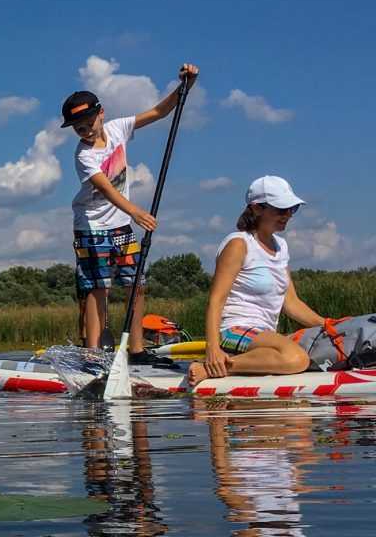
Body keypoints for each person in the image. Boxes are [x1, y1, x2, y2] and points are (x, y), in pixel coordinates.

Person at [62, 63, 199, 364]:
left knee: (136, 286)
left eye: (88, 123)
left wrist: (185, 87)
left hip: (122, 226)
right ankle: (94, 355)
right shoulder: (84, 156)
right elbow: (108, 190)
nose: (85, 131)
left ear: (101, 113)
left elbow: (158, 113)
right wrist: (137, 211)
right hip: (92, 227)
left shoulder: (117, 129)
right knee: (99, 290)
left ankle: (136, 351)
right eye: (78, 128)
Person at [188, 176, 325, 385]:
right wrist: (212, 349)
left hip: (263, 334)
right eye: (281, 209)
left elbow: (291, 303)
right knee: (297, 358)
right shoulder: (239, 244)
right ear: (256, 208)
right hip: (232, 330)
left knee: (301, 365)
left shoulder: (282, 247)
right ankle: (214, 368)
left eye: (292, 209)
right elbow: (216, 300)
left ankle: (243, 363)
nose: (287, 215)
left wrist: (329, 326)